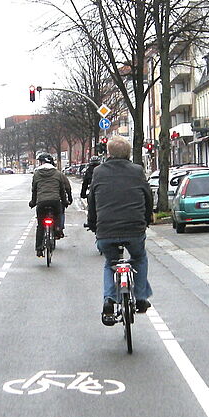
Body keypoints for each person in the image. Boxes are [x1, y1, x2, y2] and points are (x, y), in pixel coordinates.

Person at [85, 136, 154, 324]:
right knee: (139, 258)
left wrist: (92, 223)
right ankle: (140, 298)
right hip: (134, 228)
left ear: (109, 153)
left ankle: (109, 301)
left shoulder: (98, 172)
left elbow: (92, 201)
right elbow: (147, 197)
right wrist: (148, 218)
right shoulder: (137, 171)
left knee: (111, 263)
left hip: (106, 230)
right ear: (128, 153)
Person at [29, 153, 73, 256]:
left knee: (40, 225)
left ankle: (39, 248)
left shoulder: (36, 174)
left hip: (41, 202)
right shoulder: (58, 174)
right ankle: (57, 229)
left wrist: (33, 202)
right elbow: (63, 189)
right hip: (55, 201)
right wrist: (66, 200)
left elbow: (34, 190)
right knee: (58, 214)